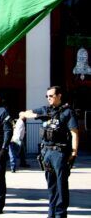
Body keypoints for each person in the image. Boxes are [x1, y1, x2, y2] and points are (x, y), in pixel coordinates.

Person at [19, 86, 79, 218]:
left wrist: (74, 153)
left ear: (59, 96)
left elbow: (74, 133)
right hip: (46, 152)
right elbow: (25, 113)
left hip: (60, 152)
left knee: (61, 185)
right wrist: (39, 115)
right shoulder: (45, 109)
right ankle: (51, 213)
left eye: (51, 96)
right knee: (51, 186)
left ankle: (60, 214)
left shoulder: (67, 112)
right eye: (47, 96)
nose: (49, 98)